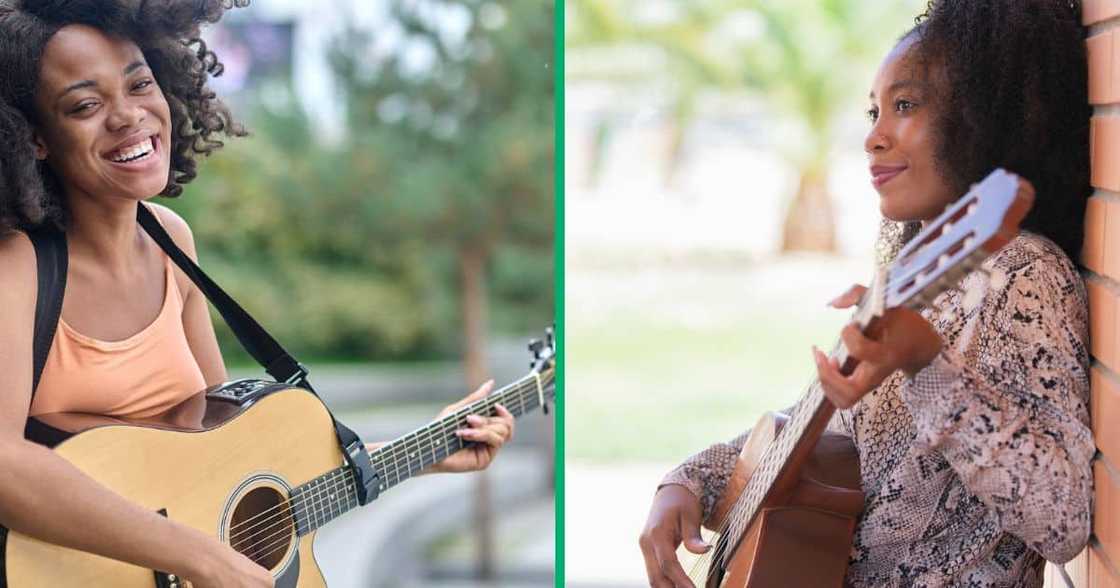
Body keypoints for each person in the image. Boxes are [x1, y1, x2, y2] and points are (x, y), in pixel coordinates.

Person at [0, 1, 514, 587]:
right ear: (34, 138)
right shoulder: (18, 268)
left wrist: (422, 450)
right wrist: (195, 555)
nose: (128, 116)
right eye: (86, 105)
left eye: (140, 83)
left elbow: (225, 459)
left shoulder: (172, 242)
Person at [639, 1, 1095, 586]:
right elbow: (816, 445)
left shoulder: (1023, 274)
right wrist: (688, 480)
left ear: (983, 114)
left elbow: (1063, 520)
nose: (873, 138)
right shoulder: (912, 283)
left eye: (905, 106)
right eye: (874, 111)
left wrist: (927, 365)